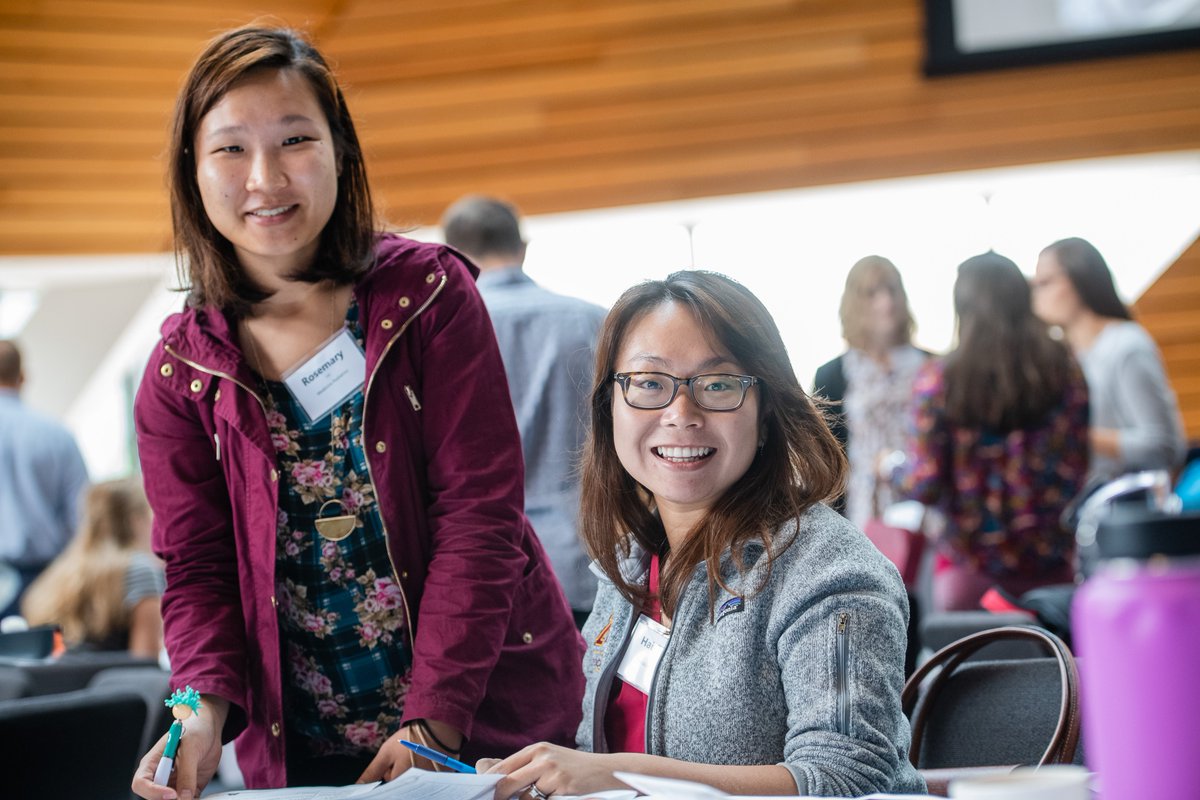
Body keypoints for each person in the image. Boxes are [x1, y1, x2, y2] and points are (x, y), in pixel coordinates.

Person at [130, 26, 583, 798]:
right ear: (191, 171)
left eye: (295, 139)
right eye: (231, 149)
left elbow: (481, 516)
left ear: (340, 150)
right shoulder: (180, 370)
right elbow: (195, 574)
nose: (266, 179)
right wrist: (191, 715)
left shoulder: (430, 296)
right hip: (305, 747)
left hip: (481, 726)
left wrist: (432, 727)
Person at [480, 271, 925, 797]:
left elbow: (847, 779)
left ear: (765, 415)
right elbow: (602, 760)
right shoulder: (630, 565)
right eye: (649, 383)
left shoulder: (829, 571)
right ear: (610, 408)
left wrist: (621, 776)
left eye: (718, 385)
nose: (680, 415)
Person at [442, 195, 606, 627]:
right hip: (586, 556)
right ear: (523, 247)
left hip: (482, 567)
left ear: (452, 255)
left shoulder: (440, 335)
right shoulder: (594, 322)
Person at [901, 253, 1090, 612]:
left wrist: (890, 468)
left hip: (969, 576)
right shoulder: (1064, 370)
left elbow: (925, 483)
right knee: (1057, 668)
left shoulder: (939, 379)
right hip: (1052, 572)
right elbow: (1078, 464)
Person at [1033, 237, 1186, 484]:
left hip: (1123, 505)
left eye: (1044, 282)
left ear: (1078, 278)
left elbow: (1163, 446)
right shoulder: (1061, 355)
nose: (1035, 294)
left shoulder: (1126, 345)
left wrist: (1072, 435)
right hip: (1081, 506)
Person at [812, 256, 929, 529]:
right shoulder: (832, 376)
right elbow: (823, 463)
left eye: (892, 290)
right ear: (855, 303)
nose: (886, 303)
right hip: (859, 515)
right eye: (872, 293)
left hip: (928, 512)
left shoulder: (932, 367)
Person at [22, 479, 164, 658]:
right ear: (136, 520)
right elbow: (145, 658)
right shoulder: (140, 570)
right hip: (120, 683)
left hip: (66, 683)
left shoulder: (61, 572)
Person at [0, 339, 90, 620]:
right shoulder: (57, 436)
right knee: (44, 660)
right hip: (47, 581)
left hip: (40, 576)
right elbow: (83, 515)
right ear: (23, 377)